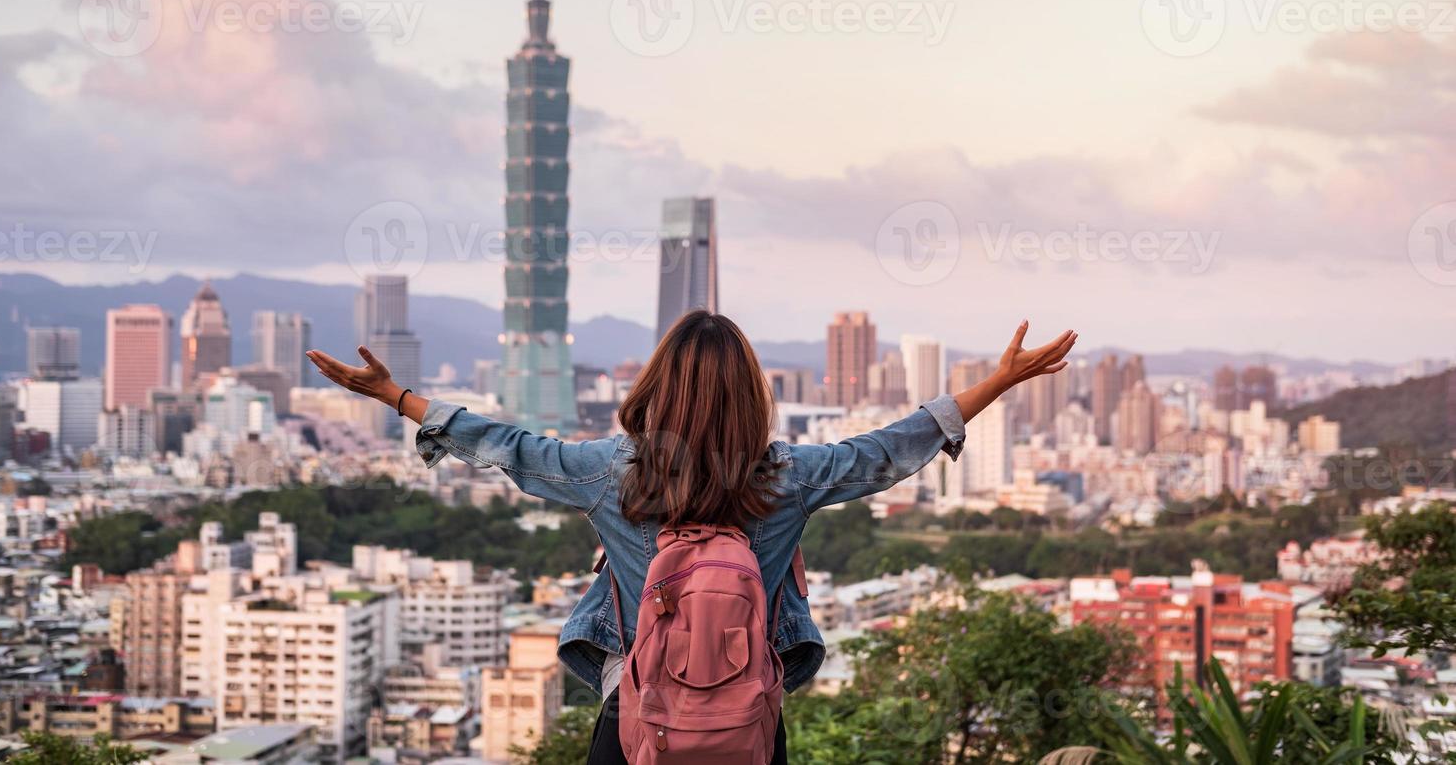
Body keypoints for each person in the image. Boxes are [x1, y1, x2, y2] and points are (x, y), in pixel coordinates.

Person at [308, 313, 1075, 764]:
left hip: (635, 719)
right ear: (751, 393)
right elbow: (885, 451)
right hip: (747, 720)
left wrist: (395, 395)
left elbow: (509, 446)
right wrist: (995, 384)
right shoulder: (787, 476)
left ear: (655, 386)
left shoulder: (610, 472)